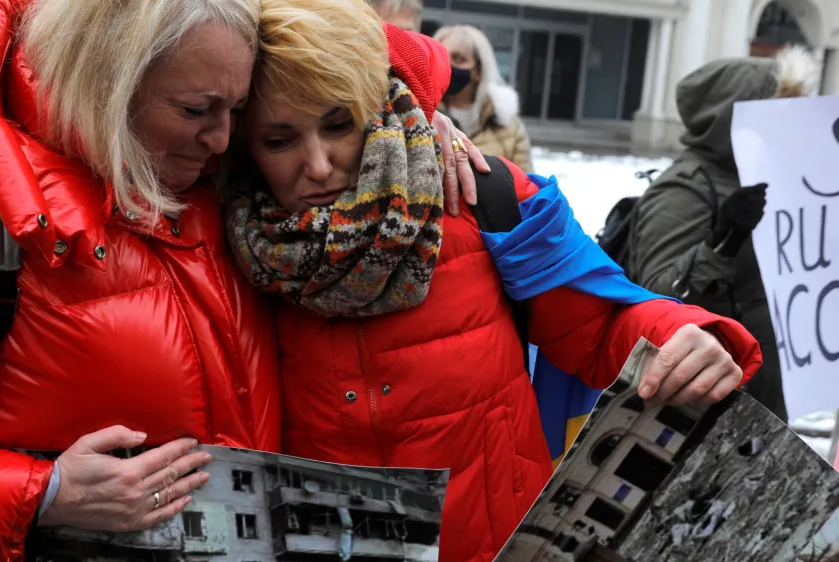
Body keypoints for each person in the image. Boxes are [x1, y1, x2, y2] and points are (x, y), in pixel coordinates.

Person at [0, 0, 488, 559]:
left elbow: (327, 48)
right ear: (110, 81)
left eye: (236, 107)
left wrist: (408, 115)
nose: (223, 137)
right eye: (198, 109)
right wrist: (45, 494)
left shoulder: (220, 190)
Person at [222, 1, 763, 560]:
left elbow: (603, 323)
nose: (317, 165)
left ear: (378, 109)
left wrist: (685, 337)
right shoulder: (218, 236)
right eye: (279, 140)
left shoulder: (483, 196)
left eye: (339, 124)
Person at [627, 46, 818, 423]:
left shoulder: (769, 172)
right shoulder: (684, 189)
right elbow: (660, 294)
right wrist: (722, 240)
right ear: (732, 116)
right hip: (708, 395)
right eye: (779, 112)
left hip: (765, 383)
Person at [434, 24, 534, 173]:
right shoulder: (424, 115)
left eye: (458, 59)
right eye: (442, 56)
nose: (448, 65)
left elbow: (526, 183)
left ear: (479, 70)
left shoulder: (509, 128)